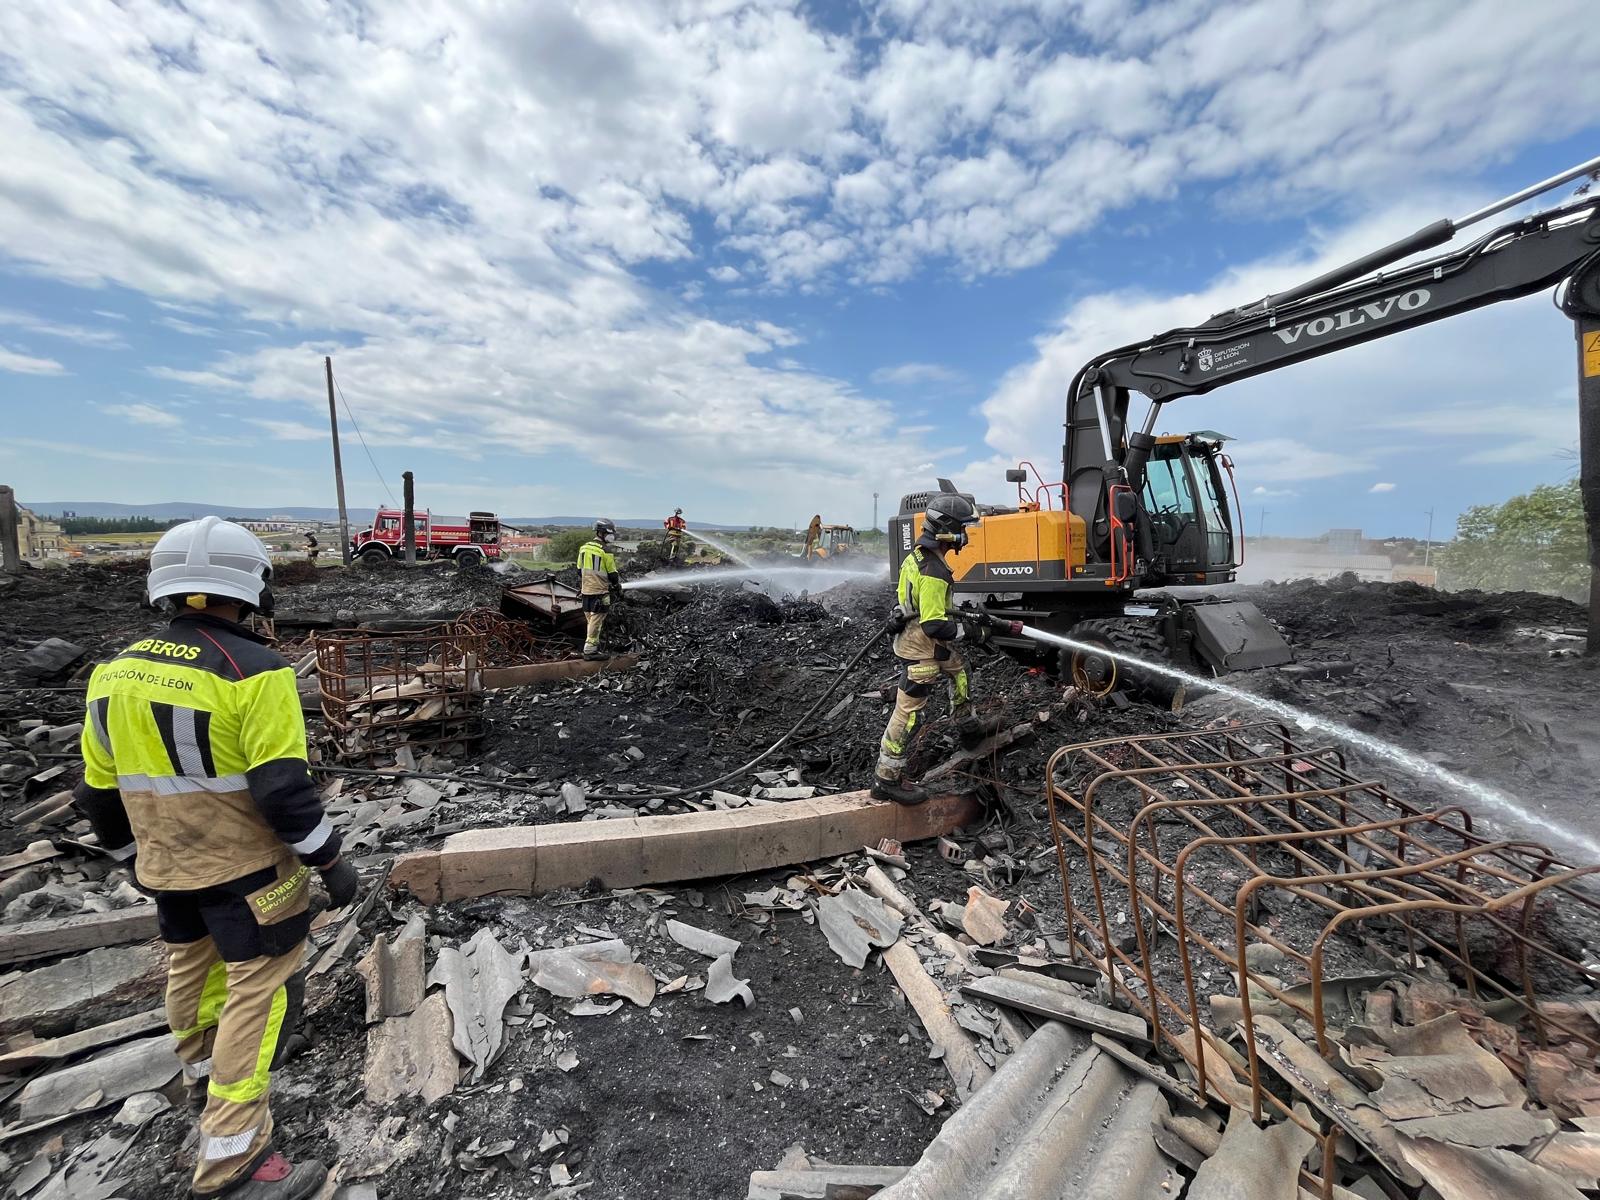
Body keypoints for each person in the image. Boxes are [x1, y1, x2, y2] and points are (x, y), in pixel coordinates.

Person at [71, 516, 356, 1200]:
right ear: (252, 586)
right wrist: (330, 862)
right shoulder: (256, 673)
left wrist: (130, 856)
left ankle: (201, 1077)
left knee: (193, 971)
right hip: (249, 875)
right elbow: (284, 792)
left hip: (168, 870)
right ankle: (234, 1156)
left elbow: (97, 790)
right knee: (254, 993)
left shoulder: (114, 673)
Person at [873, 495, 1020, 806]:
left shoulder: (916, 557)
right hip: (922, 650)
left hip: (924, 641)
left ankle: (969, 728)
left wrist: (898, 614)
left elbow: (912, 603)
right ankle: (886, 778)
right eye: (964, 528)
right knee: (910, 715)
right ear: (947, 531)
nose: (966, 535)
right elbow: (934, 625)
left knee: (959, 671)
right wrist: (973, 631)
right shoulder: (934, 572)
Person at [578, 518, 622, 660]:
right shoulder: (605, 551)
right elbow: (613, 574)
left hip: (586, 591)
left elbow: (579, 570)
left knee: (591, 620)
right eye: (610, 533)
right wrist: (616, 585)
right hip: (600, 592)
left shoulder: (584, 547)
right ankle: (590, 650)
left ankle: (592, 645)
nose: (612, 536)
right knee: (597, 620)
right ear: (602, 533)